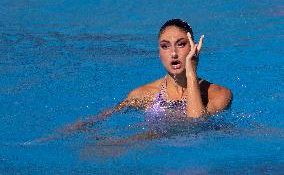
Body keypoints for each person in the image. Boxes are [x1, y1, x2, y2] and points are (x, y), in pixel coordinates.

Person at [67, 18, 232, 136]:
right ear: (159, 53)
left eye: (181, 44)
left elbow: (196, 125)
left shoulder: (218, 94)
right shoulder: (144, 94)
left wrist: (191, 72)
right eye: (165, 46)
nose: (173, 53)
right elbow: (100, 118)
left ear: (193, 47)